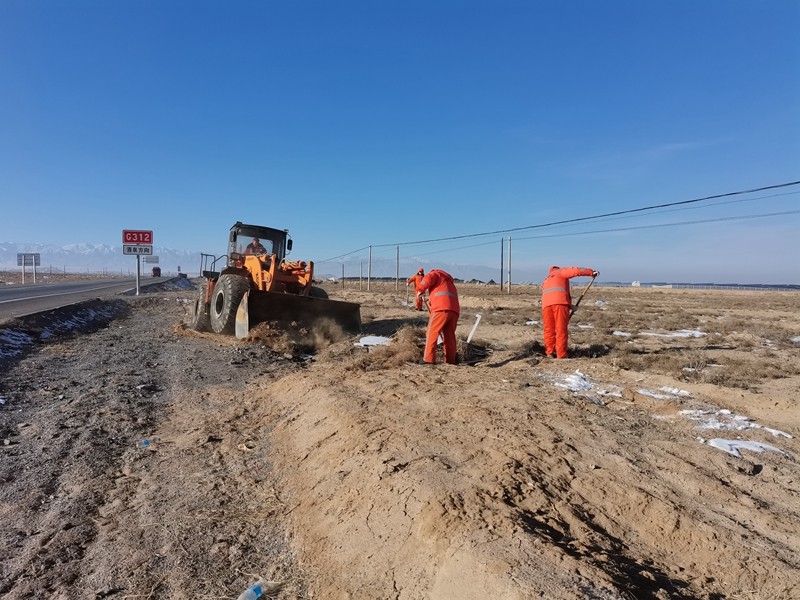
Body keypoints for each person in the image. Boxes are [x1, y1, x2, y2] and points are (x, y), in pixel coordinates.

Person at [541, 266, 598, 359]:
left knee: (549, 330)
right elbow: (576, 271)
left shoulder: (546, 280)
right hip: (560, 304)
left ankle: (549, 352)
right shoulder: (560, 272)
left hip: (546, 305)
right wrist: (590, 272)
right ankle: (561, 355)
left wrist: (570, 306)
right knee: (561, 329)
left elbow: (553, 295)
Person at [417, 269, 460, 364]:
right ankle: (451, 360)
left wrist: (420, 290)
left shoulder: (435, 273)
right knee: (449, 336)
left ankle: (428, 360)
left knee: (431, 332)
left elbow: (427, 279)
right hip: (454, 311)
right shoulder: (449, 282)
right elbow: (443, 295)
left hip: (440, 309)